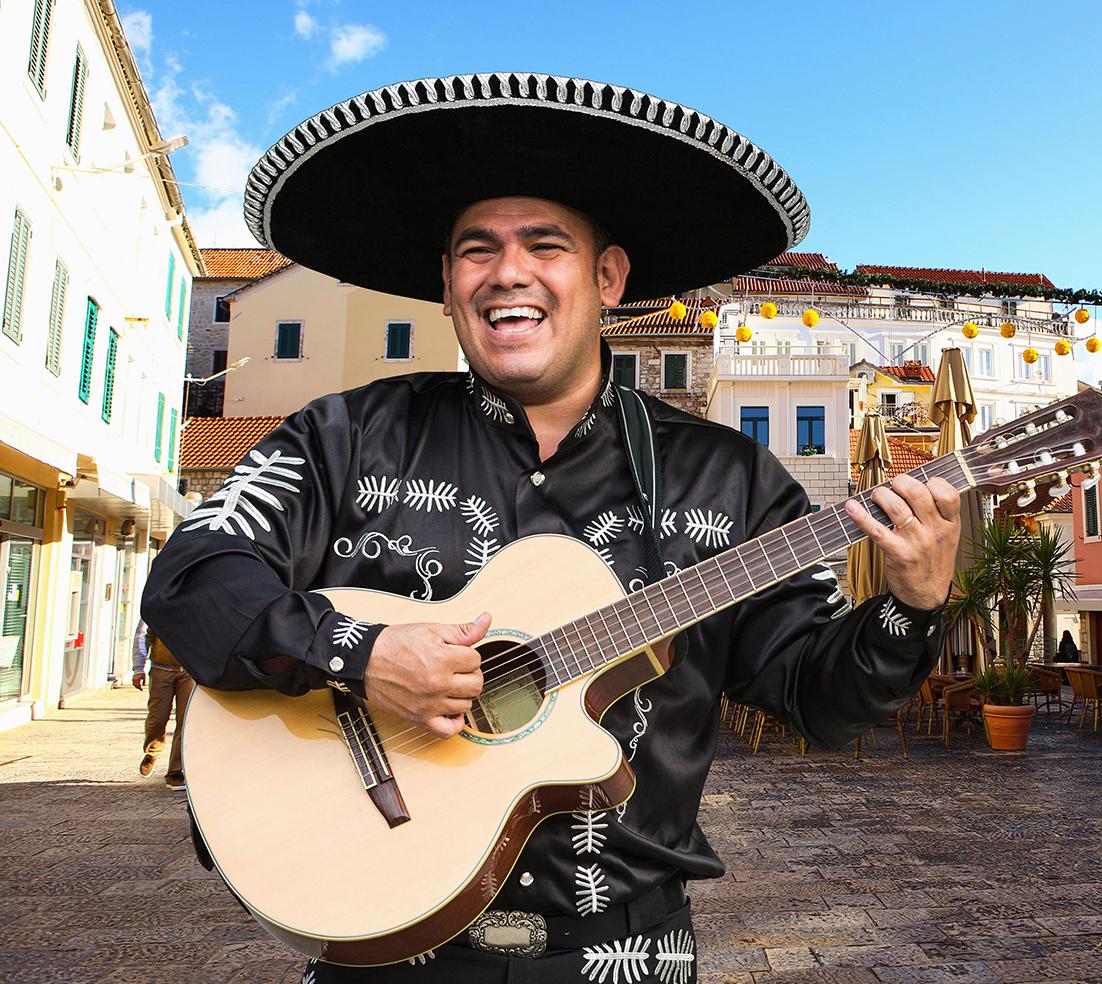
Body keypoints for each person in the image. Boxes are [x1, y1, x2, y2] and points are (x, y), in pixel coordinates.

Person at [141, 72, 960, 982]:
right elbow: (192, 578)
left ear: (608, 277)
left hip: (624, 957)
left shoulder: (730, 480)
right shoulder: (342, 438)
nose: (508, 273)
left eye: (545, 244)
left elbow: (823, 700)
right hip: (377, 948)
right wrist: (360, 654)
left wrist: (912, 605)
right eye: (475, 249)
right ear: (448, 284)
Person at [130, 619, 192, 790]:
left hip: (189, 672)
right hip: (161, 670)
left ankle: (175, 771)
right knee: (158, 718)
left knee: (186, 721)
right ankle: (152, 751)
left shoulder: (198, 602)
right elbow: (142, 636)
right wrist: (138, 668)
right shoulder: (157, 602)